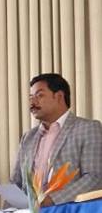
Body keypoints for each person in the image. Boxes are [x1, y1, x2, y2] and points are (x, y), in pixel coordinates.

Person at [11, 73, 102, 205]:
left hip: (69, 212)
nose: (32, 102)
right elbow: (16, 183)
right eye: (31, 97)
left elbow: (95, 177)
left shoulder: (88, 128)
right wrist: (7, 212)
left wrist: (52, 200)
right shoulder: (28, 137)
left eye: (39, 95)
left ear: (59, 96)